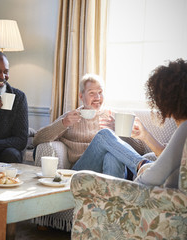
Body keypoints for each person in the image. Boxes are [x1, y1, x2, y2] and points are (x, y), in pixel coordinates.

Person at [72, 59, 187, 187]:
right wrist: (145, 135)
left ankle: (115, 197)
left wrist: (119, 133)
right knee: (106, 138)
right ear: (81, 96)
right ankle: (138, 167)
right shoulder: (71, 117)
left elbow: (159, 168)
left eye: (100, 93)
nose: (97, 97)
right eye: (92, 93)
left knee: (111, 153)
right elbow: (168, 156)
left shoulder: (184, 129)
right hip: (81, 169)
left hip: (140, 186)